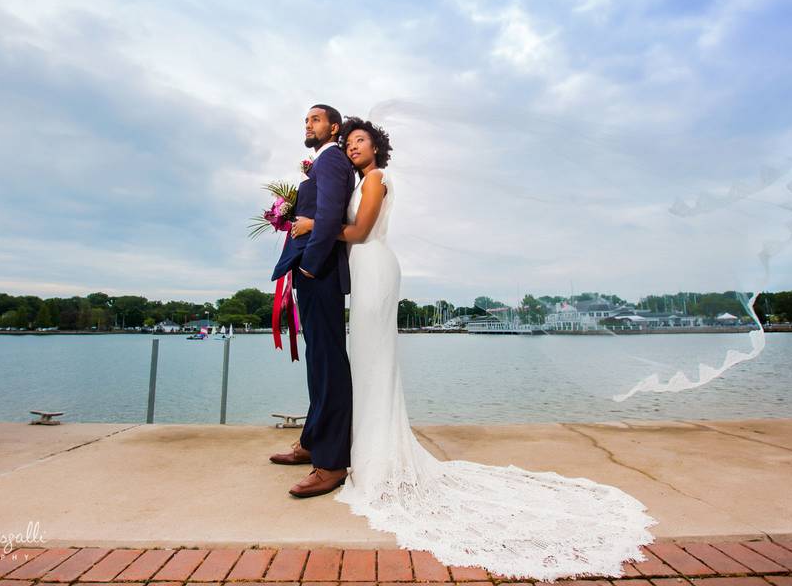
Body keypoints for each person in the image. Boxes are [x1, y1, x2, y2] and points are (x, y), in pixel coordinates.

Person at [288, 116, 659, 582]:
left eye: (362, 141)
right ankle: (363, 447)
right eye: (350, 143)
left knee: (375, 362)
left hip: (375, 266)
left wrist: (310, 224)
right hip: (359, 272)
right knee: (363, 362)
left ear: (378, 149)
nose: (354, 147)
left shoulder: (378, 179)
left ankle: (378, 456)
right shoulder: (356, 180)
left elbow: (359, 232)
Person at [269, 104, 355, 498]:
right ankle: (313, 441)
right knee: (317, 365)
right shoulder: (319, 163)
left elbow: (332, 213)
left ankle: (332, 463)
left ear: (333, 127)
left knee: (329, 366)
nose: (308, 124)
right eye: (305, 120)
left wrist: (310, 267)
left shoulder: (334, 159)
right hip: (311, 276)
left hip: (319, 275)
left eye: (315, 119)